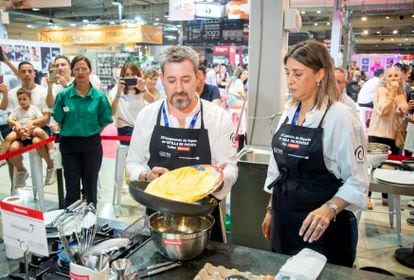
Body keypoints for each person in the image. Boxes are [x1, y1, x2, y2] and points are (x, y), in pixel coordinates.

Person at [261, 40, 368, 267]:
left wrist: (329, 209)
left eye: (298, 74)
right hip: (285, 219)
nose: (290, 80)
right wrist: (271, 209)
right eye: (288, 72)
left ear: (319, 74)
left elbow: (357, 181)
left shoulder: (340, 117)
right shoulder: (289, 112)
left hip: (321, 229)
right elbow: (278, 169)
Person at [125, 46, 238, 242]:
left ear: (198, 77)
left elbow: (230, 168)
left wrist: (219, 179)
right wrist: (146, 174)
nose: (179, 88)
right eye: (171, 80)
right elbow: (133, 163)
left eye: (186, 80)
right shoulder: (147, 116)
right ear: (162, 79)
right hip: (158, 216)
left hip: (202, 217)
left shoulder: (218, 117)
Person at [53, 55, 112, 207]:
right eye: (77, 69)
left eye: (84, 69)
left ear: (90, 71)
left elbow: (105, 119)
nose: (81, 72)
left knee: (90, 186)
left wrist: (92, 130)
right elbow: (59, 118)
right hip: (69, 145)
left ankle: (90, 221)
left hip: (91, 145)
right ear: (72, 72)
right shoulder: (63, 96)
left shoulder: (99, 97)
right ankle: (71, 224)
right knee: (72, 187)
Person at [7, 61, 55, 187]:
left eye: (30, 71)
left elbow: (46, 118)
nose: (27, 75)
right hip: (20, 131)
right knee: (12, 149)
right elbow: (11, 118)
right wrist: (19, 129)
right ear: (18, 74)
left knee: (37, 142)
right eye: (23, 71)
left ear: (34, 74)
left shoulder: (43, 91)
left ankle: (50, 167)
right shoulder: (12, 93)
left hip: (39, 129)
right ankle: (22, 170)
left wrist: (31, 124)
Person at [1, 88, 49, 164]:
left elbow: (42, 118)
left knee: (40, 132)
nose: (22, 101)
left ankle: (51, 148)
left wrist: (32, 122)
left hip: (32, 128)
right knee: (8, 138)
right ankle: (2, 158)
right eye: (19, 99)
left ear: (30, 99)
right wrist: (16, 123)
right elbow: (9, 120)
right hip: (19, 129)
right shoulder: (17, 109)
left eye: (24, 99)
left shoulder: (34, 108)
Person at [109, 61, 147, 145]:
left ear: (138, 75)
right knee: (140, 143)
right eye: (127, 74)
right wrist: (119, 92)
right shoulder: (116, 90)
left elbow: (153, 101)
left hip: (141, 127)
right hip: (125, 128)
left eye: (133, 74)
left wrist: (143, 90)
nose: (130, 77)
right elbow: (111, 112)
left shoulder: (142, 89)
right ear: (122, 76)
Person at [357, 68, 384, 134]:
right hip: (367, 104)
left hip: (361, 103)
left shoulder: (370, 80)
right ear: (381, 75)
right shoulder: (378, 81)